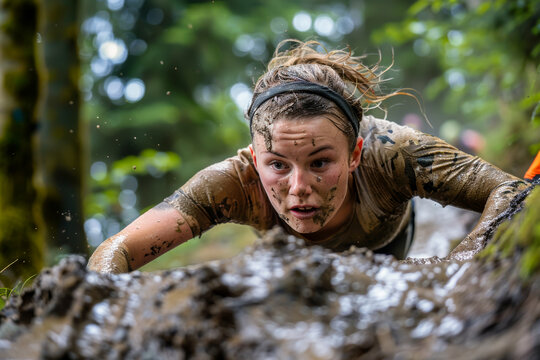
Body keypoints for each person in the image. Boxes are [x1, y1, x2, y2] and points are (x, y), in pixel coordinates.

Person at [87, 40, 530, 273]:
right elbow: (117, 250)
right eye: (277, 164)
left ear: (355, 153)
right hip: (293, 265)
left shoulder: (393, 153)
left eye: (320, 163)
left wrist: (458, 262)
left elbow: (513, 189)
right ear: (254, 157)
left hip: (388, 250)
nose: (298, 188)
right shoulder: (230, 184)